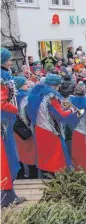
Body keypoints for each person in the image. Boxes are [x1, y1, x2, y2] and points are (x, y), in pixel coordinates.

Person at [26, 74, 76, 177]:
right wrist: (71, 110)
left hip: (39, 128)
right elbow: (60, 114)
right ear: (54, 85)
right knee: (56, 160)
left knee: (43, 158)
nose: (58, 88)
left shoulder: (36, 92)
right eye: (58, 86)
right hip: (51, 131)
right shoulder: (51, 96)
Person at [1, 47, 26, 207]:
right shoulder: (2, 78)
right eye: (9, 59)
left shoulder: (5, 76)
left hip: (6, 124)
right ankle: (7, 197)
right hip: (3, 125)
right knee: (6, 159)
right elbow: (3, 102)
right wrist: (16, 110)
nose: (11, 62)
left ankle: (9, 195)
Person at [68, 82, 86, 171]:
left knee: (77, 154)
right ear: (85, 93)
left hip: (76, 132)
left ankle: (77, 174)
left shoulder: (69, 103)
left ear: (74, 92)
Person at [13, 76, 37, 179]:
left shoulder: (12, 97)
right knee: (29, 151)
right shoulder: (26, 98)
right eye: (25, 84)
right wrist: (29, 125)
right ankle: (32, 174)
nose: (27, 85)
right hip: (25, 129)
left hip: (15, 129)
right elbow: (26, 114)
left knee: (17, 152)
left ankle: (20, 174)